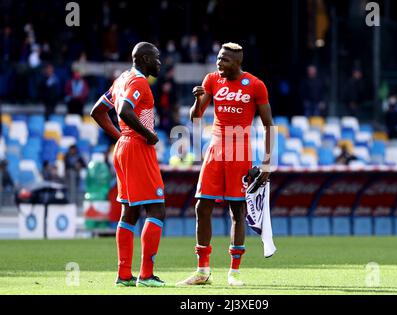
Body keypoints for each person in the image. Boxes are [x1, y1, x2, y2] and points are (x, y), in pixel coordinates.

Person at [177, 43, 274, 286]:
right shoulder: (211, 80)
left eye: (225, 60)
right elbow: (195, 117)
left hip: (240, 153)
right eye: (219, 59)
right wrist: (198, 101)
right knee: (202, 206)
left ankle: (234, 272)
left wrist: (267, 163)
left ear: (237, 62)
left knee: (237, 211)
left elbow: (268, 124)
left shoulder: (255, 85)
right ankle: (202, 271)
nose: (219, 63)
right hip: (215, 149)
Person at [90, 42, 166, 287]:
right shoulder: (139, 82)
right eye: (156, 58)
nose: (159, 62)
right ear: (143, 59)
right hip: (137, 148)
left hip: (123, 147)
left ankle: (123, 275)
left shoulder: (121, 79)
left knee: (129, 211)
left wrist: (119, 136)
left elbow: (98, 111)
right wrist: (148, 134)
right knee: (156, 209)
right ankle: (146, 275)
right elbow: (124, 110)